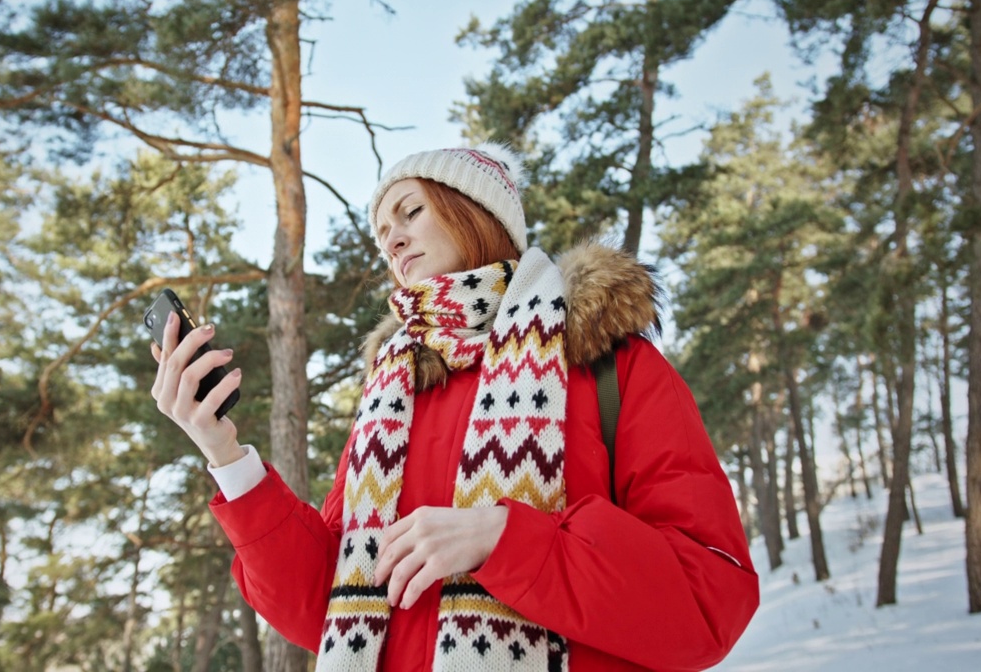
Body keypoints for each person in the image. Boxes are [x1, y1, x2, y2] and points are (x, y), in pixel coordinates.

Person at [150, 143, 758, 671]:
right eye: (381, 231)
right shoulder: (392, 398)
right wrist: (225, 454)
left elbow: (710, 602)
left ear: (477, 214)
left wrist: (507, 540)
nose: (391, 237)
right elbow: (327, 610)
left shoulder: (609, 366)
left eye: (410, 211)